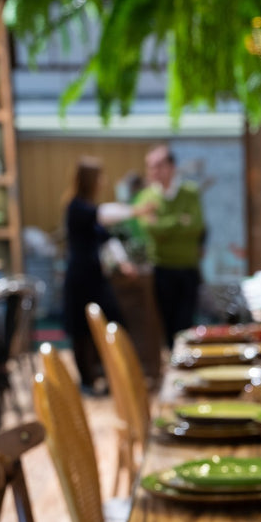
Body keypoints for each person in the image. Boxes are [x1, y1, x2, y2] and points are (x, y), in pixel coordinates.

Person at [62, 156, 154, 394]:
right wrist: (136, 210)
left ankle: (106, 373)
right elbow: (102, 214)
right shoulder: (77, 207)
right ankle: (86, 379)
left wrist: (124, 263)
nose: (103, 181)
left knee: (111, 322)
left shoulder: (89, 208)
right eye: (100, 176)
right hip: (80, 278)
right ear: (90, 179)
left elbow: (107, 238)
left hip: (95, 277)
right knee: (82, 330)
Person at [136, 145, 205, 347]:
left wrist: (164, 224)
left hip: (188, 268)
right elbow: (151, 231)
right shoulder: (147, 197)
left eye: (159, 166)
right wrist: (178, 222)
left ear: (172, 167)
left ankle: (186, 363)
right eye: (150, 167)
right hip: (161, 269)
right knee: (166, 324)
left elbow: (196, 226)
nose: (154, 171)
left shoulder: (190, 193)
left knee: (186, 323)